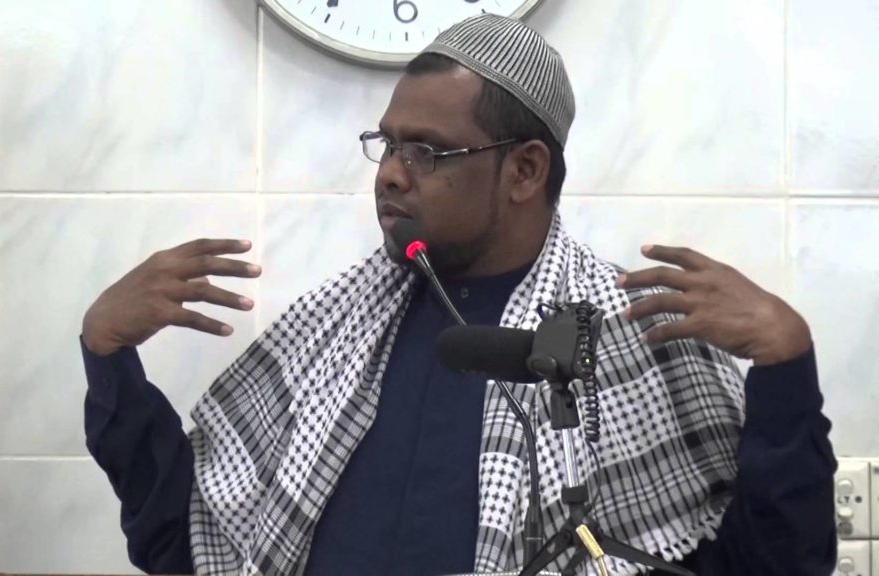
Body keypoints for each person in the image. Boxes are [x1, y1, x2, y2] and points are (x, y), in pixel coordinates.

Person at [80, 14, 836, 576]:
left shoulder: (633, 331)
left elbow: (768, 566)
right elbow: (193, 544)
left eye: (426, 151)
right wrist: (108, 355)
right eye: (387, 144)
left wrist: (786, 366)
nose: (389, 172)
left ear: (525, 171)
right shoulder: (332, 329)